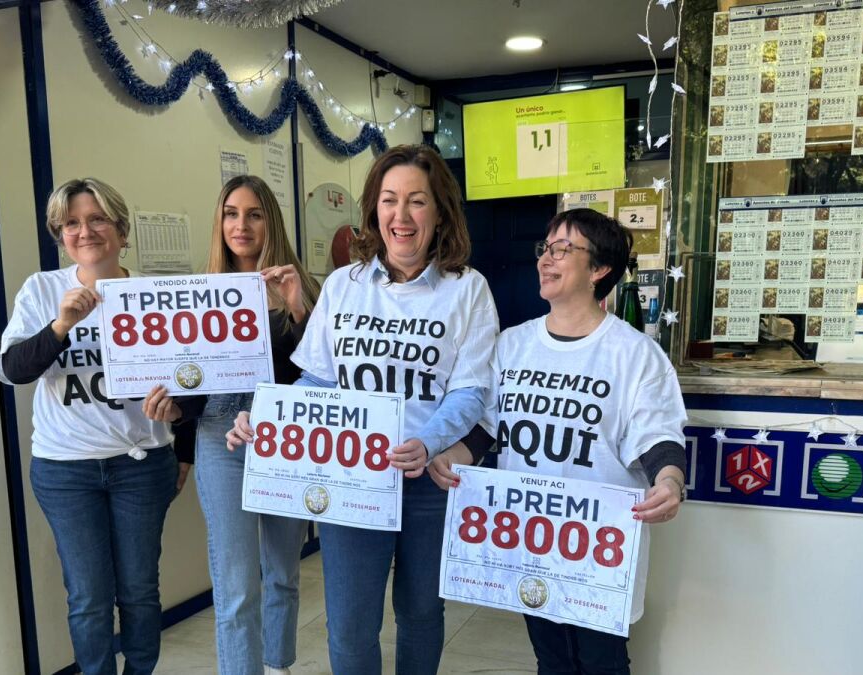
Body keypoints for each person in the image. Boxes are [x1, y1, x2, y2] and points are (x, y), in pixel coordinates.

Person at [230, 144, 499, 674]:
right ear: (374, 209)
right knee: (351, 625)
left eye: (417, 201)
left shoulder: (467, 289)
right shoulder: (343, 286)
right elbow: (317, 379)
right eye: (389, 199)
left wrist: (428, 442)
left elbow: (470, 391)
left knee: (421, 613)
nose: (402, 216)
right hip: (352, 479)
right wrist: (269, 416)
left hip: (428, 478)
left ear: (440, 211)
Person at [428, 208, 688, 675]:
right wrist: (452, 456)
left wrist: (669, 481)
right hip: (531, 537)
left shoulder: (635, 354)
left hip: (597, 546)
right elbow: (489, 426)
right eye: (545, 248)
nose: (546, 259)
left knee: (602, 662)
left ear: (599, 269)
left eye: (563, 249)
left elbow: (657, 437)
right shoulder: (512, 345)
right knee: (550, 658)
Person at [0, 178, 178, 675]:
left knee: (139, 590)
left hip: (141, 465)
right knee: (88, 597)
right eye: (71, 223)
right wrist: (60, 327)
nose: (85, 231)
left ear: (121, 229)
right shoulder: (41, 289)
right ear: (60, 235)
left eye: (97, 219)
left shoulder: (153, 293)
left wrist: (177, 410)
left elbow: (189, 379)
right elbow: (13, 371)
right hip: (65, 470)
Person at [142, 175, 320, 675]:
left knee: (282, 572)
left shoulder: (304, 287)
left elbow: (323, 371)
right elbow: (190, 381)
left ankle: (278, 666)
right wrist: (175, 416)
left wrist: (297, 309)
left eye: (254, 214)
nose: (241, 225)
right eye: (231, 214)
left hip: (286, 438)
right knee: (237, 583)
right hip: (220, 437)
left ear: (271, 221)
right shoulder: (202, 293)